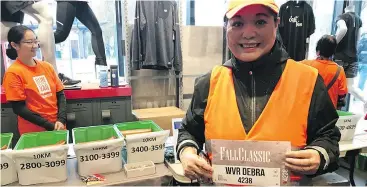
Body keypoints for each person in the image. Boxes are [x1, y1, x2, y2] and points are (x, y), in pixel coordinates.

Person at [177, 0, 341, 183]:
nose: (248, 34)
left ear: (276, 24)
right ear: (226, 27)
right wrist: (187, 152)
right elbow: (189, 131)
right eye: (238, 23)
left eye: (260, 22)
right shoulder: (209, 83)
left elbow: (328, 136)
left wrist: (319, 154)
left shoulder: (308, 80)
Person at [3, 25, 67, 135]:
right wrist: (49, 125)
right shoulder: (13, 73)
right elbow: (19, 108)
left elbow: (60, 94)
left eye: (35, 41)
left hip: (58, 127)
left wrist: (61, 120)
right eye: (29, 42)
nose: (35, 46)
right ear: (14, 45)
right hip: (34, 132)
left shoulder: (47, 66)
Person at [301, 35, 348, 109]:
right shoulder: (339, 70)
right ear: (333, 52)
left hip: (307, 109)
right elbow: (342, 94)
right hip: (328, 113)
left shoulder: (305, 64)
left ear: (318, 50)